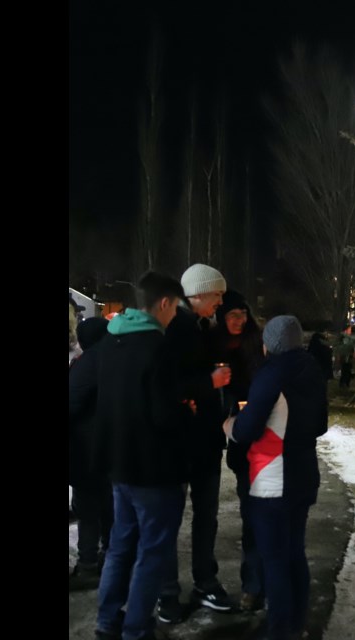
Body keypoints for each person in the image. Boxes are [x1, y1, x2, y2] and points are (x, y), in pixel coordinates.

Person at [92, 271, 191, 640]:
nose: (174, 316)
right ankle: (136, 628)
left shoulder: (111, 341)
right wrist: (187, 409)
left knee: (120, 546)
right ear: (164, 303)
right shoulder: (157, 347)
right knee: (152, 552)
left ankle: (107, 621)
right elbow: (163, 414)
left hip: (120, 465)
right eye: (175, 308)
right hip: (154, 469)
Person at [222, 315, 329, 640]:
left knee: (274, 560)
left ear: (271, 344)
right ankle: (296, 623)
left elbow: (248, 427)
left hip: (273, 478)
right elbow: (321, 425)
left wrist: (231, 427)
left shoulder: (272, 375)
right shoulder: (311, 371)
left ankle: (280, 630)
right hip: (303, 475)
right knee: (294, 551)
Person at [158, 263, 235, 622]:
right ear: (197, 293)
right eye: (216, 294)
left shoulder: (199, 327)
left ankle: (198, 584)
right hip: (183, 442)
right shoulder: (179, 328)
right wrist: (211, 382)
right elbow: (170, 385)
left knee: (203, 516)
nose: (220, 301)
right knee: (177, 518)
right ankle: (170, 593)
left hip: (201, 440)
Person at [208, 289, 266, 612]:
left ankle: (259, 585)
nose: (238, 320)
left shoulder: (256, 344)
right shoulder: (212, 343)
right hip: (234, 436)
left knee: (261, 515)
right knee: (249, 512)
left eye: (242, 314)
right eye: (231, 314)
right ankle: (253, 584)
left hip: (258, 435)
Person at [69, 317, 113, 589]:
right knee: (110, 507)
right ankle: (110, 558)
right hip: (112, 448)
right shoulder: (116, 359)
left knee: (87, 508)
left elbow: (71, 404)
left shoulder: (89, 363)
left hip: (88, 449)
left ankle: (87, 565)